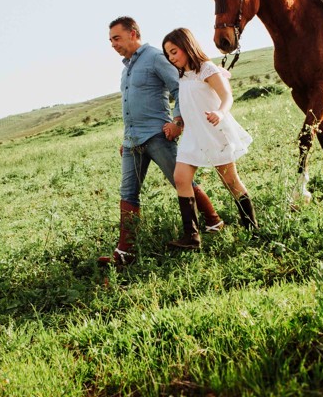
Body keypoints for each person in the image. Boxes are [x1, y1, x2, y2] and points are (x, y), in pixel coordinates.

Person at [98, 17, 223, 266]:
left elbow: (180, 89)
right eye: (110, 39)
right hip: (133, 141)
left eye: (116, 38)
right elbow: (130, 106)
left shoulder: (155, 57)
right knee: (128, 192)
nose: (112, 44)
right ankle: (126, 252)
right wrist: (127, 136)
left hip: (158, 136)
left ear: (133, 33)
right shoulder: (126, 69)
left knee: (181, 181)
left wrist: (178, 122)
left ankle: (213, 222)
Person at [162, 27, 257, 250]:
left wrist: (221, 113)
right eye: (168, 54)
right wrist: (179, 123)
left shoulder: (206, 68)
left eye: (174, 51)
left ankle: (252, 228)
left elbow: (226, 96)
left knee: (231, 182)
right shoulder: (182, 75)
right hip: (193, 135)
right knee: (181, 179)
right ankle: (192, 237)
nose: (171, 58)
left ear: (187, 46)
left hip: (214, 132)